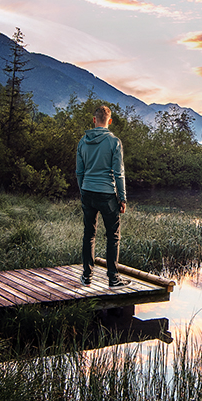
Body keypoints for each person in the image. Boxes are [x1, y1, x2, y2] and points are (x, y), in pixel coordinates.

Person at [76, 105, 129, 287]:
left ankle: (86, 276)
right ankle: (113, 278)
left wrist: (83, 191)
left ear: (94, 120)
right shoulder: (114, 142)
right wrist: (122, 198)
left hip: (88, 192)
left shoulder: (83, 142)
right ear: (110, 121)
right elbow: (118, 172)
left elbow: (79, 171)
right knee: (112, 236)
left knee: (89, 234)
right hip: (107, 194)